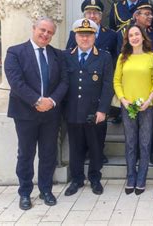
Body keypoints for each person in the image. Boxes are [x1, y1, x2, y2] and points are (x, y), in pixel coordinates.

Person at [4, 17, 68, 210]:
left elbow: (65, 81)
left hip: (51, 113)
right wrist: (37, 101)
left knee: (48, 154)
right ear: (34, 29)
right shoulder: (15, 52)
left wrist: (52, 101)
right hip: (25, 113)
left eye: (50, 32)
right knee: (26, 154)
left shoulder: (58, 55)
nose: (45, 34)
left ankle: (46, 190)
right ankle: (24, 193)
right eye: (42, 30)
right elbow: (16, 82)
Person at [63, 18, 114, 196]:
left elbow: (108, 85)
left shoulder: (104, 57)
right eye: (81, 35)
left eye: (89, 35)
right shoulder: (66, 55)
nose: (85, 39)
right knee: (75, 147)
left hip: (95, 112)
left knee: (96, 147)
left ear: (94, 37)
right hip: (73, 110)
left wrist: (103, 110)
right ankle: (77, 179)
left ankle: (95, 178)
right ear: (75, 36)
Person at [65, 0, 117, 161]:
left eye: (95, 13)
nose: (92, 15)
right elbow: (69, 54)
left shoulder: (111, 35)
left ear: (101, 16)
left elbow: (114, 58)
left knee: (98, 130)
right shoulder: (75, 34)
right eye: (89, 13)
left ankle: (98, 154)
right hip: (79, 91)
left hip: (100, 85)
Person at [113, 25, 153, 195]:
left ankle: (142, 178)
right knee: (131, 143)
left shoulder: (152, 57)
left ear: (143, 36)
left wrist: (149, 100)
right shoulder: (122, 58)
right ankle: (131, 176)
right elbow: (117, 81)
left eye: (137, 34)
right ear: (127, 39)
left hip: (147, 106)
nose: (134, 37)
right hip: (128, 106)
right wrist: (123, 99)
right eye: (131, 35)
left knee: (145, 144)